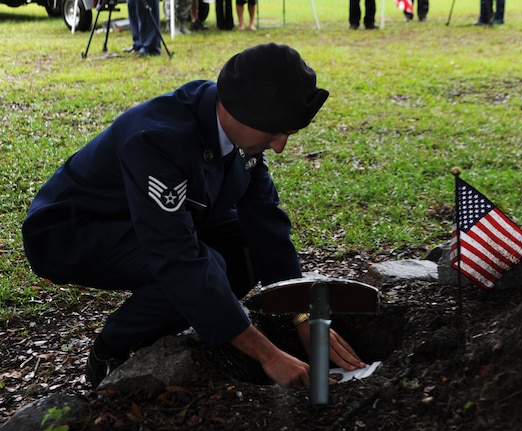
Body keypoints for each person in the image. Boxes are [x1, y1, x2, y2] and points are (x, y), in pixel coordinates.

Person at [22, 43, 366, 389]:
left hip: (140, 219)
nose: (279, 146)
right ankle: (112, 349)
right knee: (204, 267)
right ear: (238, 113)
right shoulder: (158, 139)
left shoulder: (234, 122)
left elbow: (266, 223)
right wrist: (268, 355)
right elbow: (176, 257)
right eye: (275, 132)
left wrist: (303, 315)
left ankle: (181, 319)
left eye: (287, 134)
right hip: (72, 232)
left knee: (243, 253)